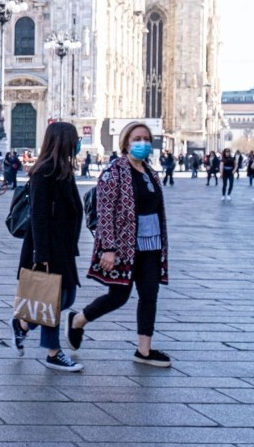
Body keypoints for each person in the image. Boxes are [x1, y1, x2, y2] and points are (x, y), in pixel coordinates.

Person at [66, 121, 172, 368]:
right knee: (119, 296)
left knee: (149, 296)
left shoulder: (151, 173)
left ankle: (143, 351)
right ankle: (78, 320)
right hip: (125, 247)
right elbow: (105, 212)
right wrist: (108, 248)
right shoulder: (114, 172)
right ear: (126, 142)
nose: (143, 143)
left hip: (152, 246)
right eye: (137, 139)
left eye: (146, 138)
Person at [9, 122, 84, 372]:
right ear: (63, 141)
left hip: (63, 247)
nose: (78, 144)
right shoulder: (45, 171)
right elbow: (39, 216)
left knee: (66, 297)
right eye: (75, 139)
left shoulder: (63, 169)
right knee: (52, 299)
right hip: (48, 248)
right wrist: (42, 254)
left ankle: (22, 325)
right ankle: (53, 352)